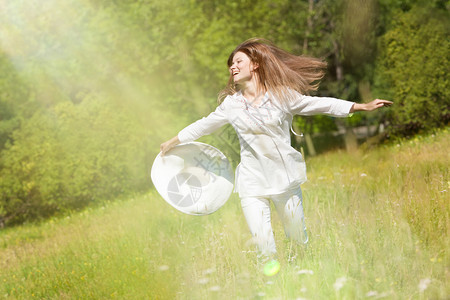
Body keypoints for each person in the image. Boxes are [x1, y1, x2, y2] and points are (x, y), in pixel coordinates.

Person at [160, 38, 392, 273]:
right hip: (252, 184)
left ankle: (301, 280)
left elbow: (319, 104)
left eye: (239, 61)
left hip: (285, 180)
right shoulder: (232, 105)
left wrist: (359, 106)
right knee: (264, 246)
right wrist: (174, 141)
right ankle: (274, 286)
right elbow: (204, 125)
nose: (233, 67)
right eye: (231, 64)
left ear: (256, 64)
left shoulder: (281, 96)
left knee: (298, 241)